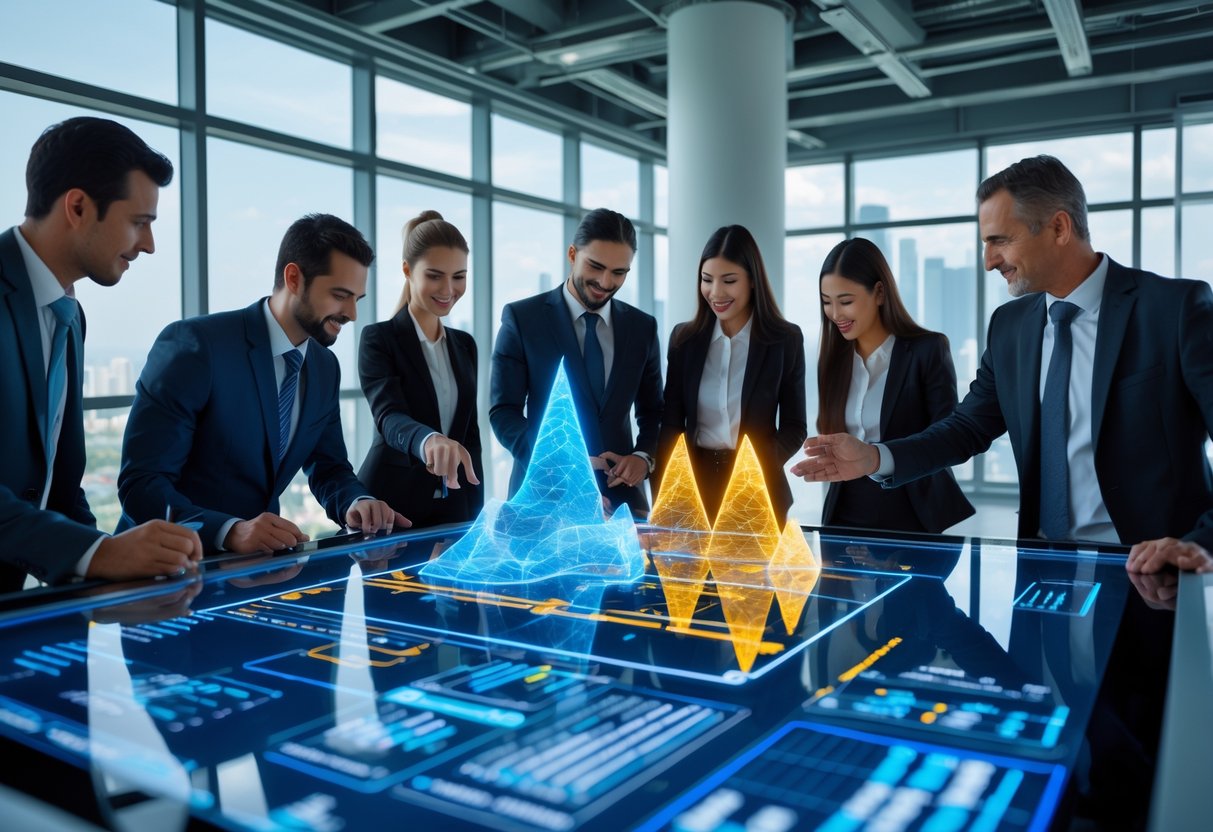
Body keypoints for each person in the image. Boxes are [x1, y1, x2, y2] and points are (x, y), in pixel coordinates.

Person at [792, 155, 1213, 572]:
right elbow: (965, 429)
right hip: (1042, 563)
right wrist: (873, 458)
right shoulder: (1010, 326)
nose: (989, 260)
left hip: (1150, 571)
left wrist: (1203, 543)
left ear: (1059, 228)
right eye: (986, 243)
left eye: (1000, 241)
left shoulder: (1174, 311)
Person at [118, 213, 409, 554]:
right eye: (340, 295)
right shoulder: (197, 346)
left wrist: (356, 502)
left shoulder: (324, 366)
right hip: (164, 570)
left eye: (356, 299)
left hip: (259, 572)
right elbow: (142, 485)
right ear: (294, 278)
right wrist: (229, 531)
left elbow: (328, 466)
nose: (351, 314)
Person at [0, 117, 202, 591]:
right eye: (139, 223)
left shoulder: (68, 315)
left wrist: (106, 569)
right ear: (77, 206)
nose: (149, 246)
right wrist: (98, 553)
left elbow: (60, 484)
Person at [491, 208, 663, 515]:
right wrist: (559, 465)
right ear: (572, 254)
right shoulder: (523, 319)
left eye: (619, 272)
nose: (605, 281)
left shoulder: (642, 328)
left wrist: (643, 456)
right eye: (595, 266)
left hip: (622, 502)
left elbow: (653, 412)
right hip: (543, 498)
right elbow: (504, 412)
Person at [815, 237, 973, 533]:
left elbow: (946, 437)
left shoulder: (928, 350)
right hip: (844, 515)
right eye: (827, 302)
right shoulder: (833, 361)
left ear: (879, 293)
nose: (836, 314)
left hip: (911, 513)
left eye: (846, 301)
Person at [656, 225, 806, 524]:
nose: (716, 292)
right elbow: (671, 425)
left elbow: (794, 427)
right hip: (693, 488)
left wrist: (753, 470)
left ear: (752, 281)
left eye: (729, 280)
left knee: (750, 572)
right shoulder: (684, 340)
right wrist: (665, 493)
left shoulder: (784, 340)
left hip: (757, 489)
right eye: (707, 280)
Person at [357, 210, 483, 527]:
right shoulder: (379, 339)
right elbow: (389, 417)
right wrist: (428, 440)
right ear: (407, 270)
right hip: (391, 504)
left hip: (455, 506)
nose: (448, 289)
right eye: (434, 275)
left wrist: (476, 514)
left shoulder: (465, 345)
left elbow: (469, 434)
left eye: (459, 276)